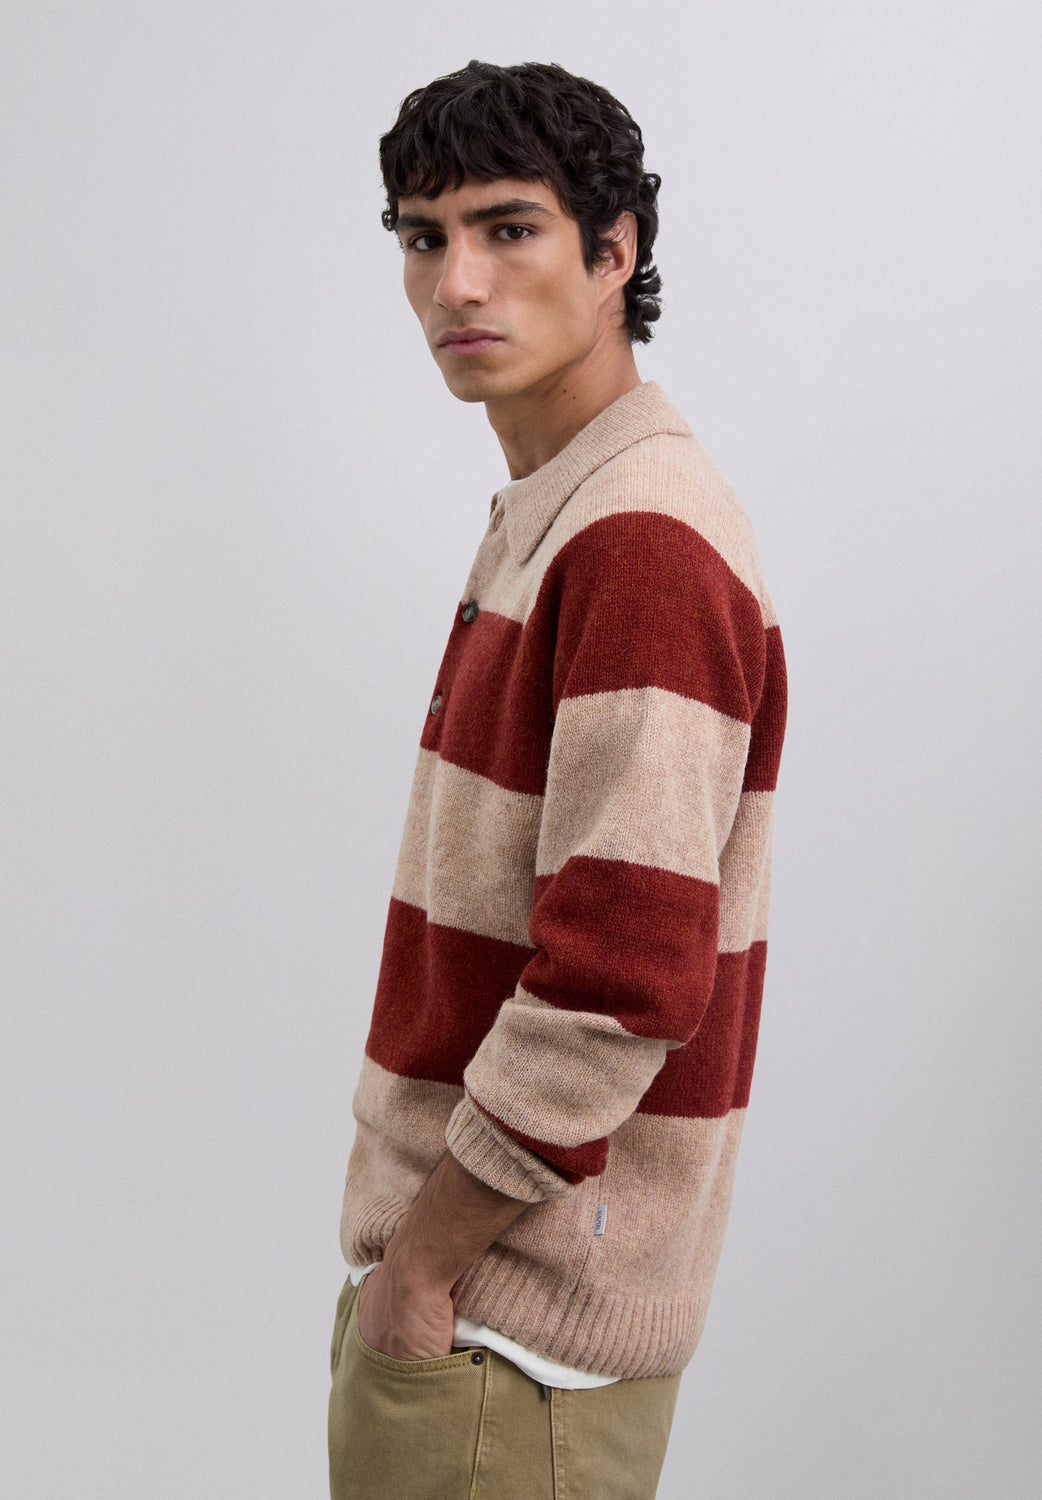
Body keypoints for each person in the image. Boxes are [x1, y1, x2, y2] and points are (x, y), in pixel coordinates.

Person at [327, 59, 787, 1500]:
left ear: (613, 253)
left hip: (506, 1342)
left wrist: (424, 1266)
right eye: (423, 237)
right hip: (483, 1324)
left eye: (509, 228)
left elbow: (622, 978)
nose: (457, 281)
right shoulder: (564, 508)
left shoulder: (637, 540)